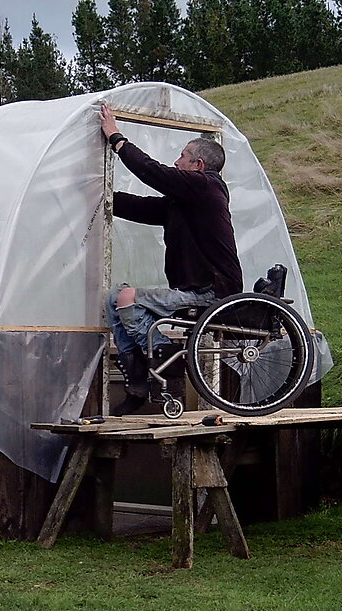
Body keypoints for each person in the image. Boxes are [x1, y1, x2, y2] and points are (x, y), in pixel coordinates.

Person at [98, 103, 245, 415]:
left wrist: (116, 139)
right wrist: (100, 194)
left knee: (127, 298)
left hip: (212, 291)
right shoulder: (185, 202)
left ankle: (166, 356)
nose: (176, 162)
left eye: (182, 156)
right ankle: (138, 379)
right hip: (193, 289)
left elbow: (154, 173)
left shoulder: (207, 187)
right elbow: (141, 207)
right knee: (114, 299)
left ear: (198, 165)